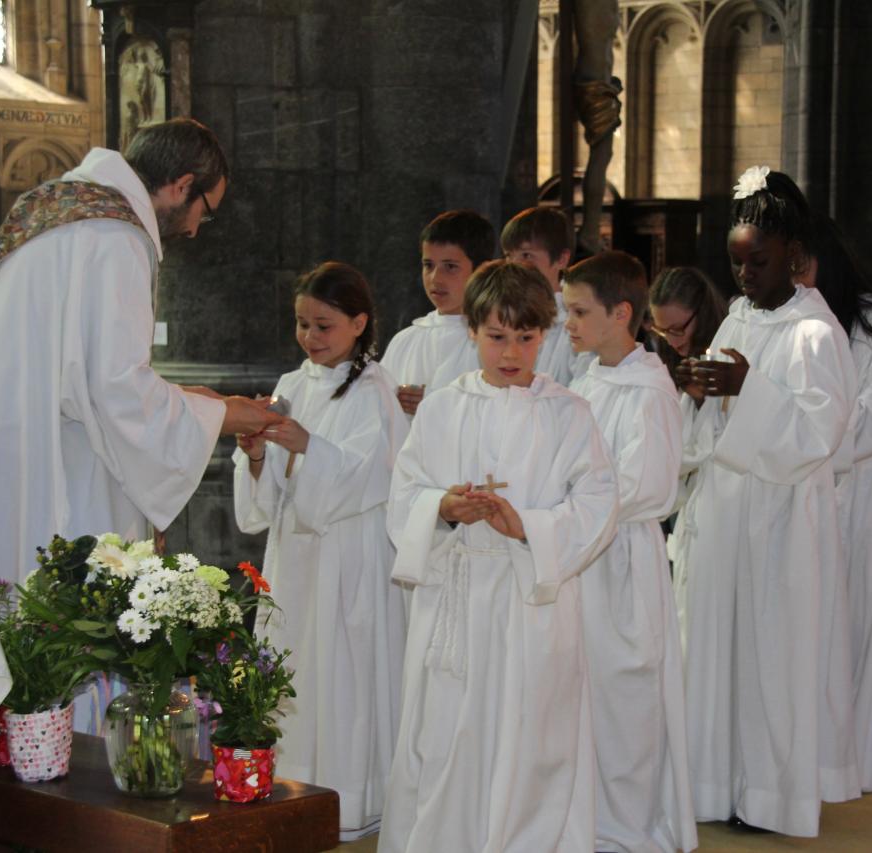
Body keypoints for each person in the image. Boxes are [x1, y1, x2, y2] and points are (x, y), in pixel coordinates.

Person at [0, 118, 281, 587]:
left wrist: (192, 398)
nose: (195, 229)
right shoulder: (117, 236)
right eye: (204, 211)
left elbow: (77, 367)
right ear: (182, 186)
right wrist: (224, 414)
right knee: (44, 624)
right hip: (31, 456)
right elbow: (116, 390)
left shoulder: (59, 204)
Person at [379, 260, 619, 853]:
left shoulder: (569, 412)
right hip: (455, 604)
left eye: (526, 337)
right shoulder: (442, 408)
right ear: (472, 332)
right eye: (496, 336)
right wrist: (442, 507)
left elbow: (597, 505)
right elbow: (403, 494)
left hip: (529, 601)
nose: (511, 352)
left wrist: (528, 527)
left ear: (547, 335)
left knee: (531, 735)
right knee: (448, 735)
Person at [672, 167, 858, 837]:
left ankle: (772, 795)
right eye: (736, 261)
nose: (746, 273)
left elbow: (818, 432)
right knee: (719, 651)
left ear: (795, 257)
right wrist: (700, 396)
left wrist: (750, 390)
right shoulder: (736, 322)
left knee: (773, 657)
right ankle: (718, 782)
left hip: (783, 519)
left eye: (759, 259)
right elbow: (706, 436)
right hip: (726, 513)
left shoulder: (816, 334)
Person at [232, 261, 408, 840]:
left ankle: (347, 799)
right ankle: (290, 788)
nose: (310, 337)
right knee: (298, 668)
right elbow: (267, 500)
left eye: (324, 326)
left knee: (344, 675)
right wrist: (256, 453)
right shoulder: (293, 383)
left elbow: (370, 476)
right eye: (302, 323)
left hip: (350, 555)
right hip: (298, 557)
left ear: (359, 323)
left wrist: (308, 445)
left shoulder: (375, 389)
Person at [564, 251, 698, 853]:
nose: (566, 322)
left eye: (578, 311)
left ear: (621, 314)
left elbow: (649, 485)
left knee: (625, 696)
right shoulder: (588, 379)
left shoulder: (650, 389)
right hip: (581, 558)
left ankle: (630, 830)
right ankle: (588, 820)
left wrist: (576, 501)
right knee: (582, 692)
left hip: (622, 560)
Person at [807, 214, 872, 792]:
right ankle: (818, 753)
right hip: (809, 486)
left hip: (862, 486)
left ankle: (858, 754)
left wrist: (806, 438)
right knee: (817, 621)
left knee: (859, 614)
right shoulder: (797, 319)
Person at [380, 209, 496, 418]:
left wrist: (434, 404)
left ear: (482, 269)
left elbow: (505, 411)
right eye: (428, 265)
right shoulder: (405, 341)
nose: (435, 279)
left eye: (450, 267)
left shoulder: (496, 339)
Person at [646, 266, 728, 546]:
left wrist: (701, 400)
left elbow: (728, 431)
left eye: (678, 329)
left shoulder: (728, 349)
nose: (673, 340)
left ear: (702, 313)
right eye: (662, 330)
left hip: (721, 496)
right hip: (679, 500)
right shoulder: (665, 353)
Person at [501, 205, 590, 385]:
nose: (514, 266)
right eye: (509, 256)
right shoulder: (500, 313)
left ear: (561, 259)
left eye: (527, 255)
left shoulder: (579, 321)